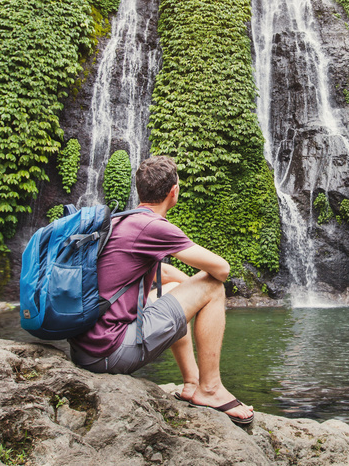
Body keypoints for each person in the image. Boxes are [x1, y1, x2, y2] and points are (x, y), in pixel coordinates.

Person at [69, 155, 254, 427]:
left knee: (172, 287)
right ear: (173, 191)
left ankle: (192, 383)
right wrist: (200, 292)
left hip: (87, 350)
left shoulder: (122, 220)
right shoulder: (152, 226)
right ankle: (211, 389)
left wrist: (187, 290)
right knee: (213, 286)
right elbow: (222, 269)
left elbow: (163, 274)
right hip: (110, 352)